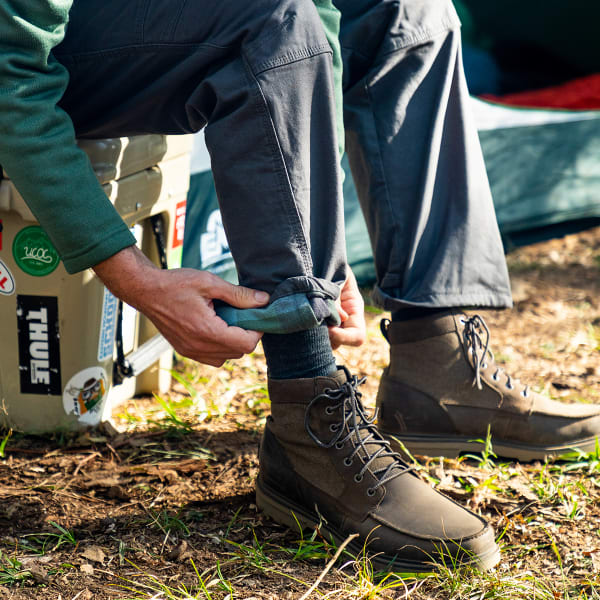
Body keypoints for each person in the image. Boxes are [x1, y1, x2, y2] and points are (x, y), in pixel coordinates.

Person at [2, 0, 600, 572]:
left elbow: (327, 18)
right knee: (268, 21)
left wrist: (326, 254)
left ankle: (436, 361)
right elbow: (13, 83)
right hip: (31, 55)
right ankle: (308, 417)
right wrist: (137, 279)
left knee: (399, 8)